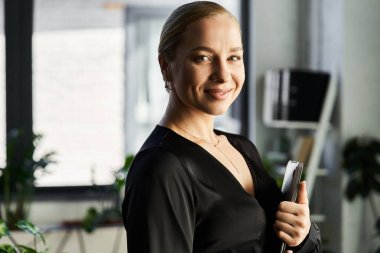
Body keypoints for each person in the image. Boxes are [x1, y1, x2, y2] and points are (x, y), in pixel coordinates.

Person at [122, 1, 321, 252]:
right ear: (166, 67)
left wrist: (300, 235)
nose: (224, 74)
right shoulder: (162, 168)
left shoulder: (241, 147)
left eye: (233, 57)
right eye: (203, 57)